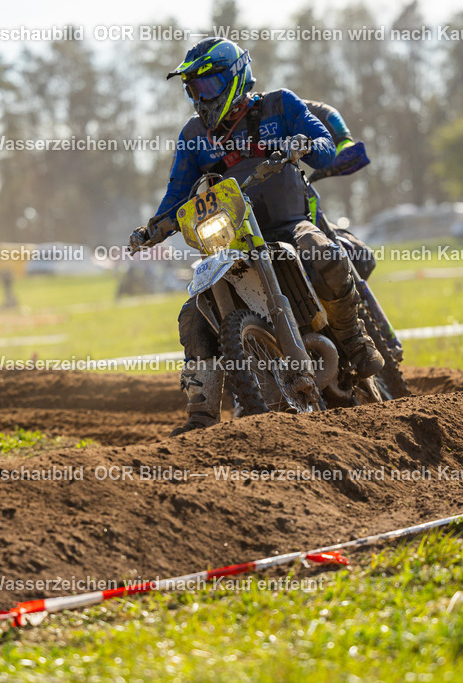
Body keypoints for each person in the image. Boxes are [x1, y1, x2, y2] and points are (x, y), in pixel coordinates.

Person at [129, 38, 384, 436]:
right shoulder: (194, 134)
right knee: (193, 313)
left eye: (208, 86)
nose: (201, 97)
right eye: (193, 89)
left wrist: (304, 144)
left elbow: (325, 147)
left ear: (235, 78)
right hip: (234, 239)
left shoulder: (279, 105)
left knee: (324, 254)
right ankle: (201, 415)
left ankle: (354, 340)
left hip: (289, 223)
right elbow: (176, 196)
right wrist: (151, 230)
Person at [301, 100, 377, 281]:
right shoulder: (218, 133)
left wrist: (342, 141)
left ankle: (352, 297)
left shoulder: (270, 105)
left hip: (294, 207)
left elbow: (324, 113)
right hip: (232, 221)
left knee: (358, 256)